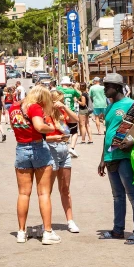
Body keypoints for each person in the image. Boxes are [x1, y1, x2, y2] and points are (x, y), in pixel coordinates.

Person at [98, 73, 134, 243]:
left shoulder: (130, 105)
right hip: (110, 156)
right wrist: (102, 159)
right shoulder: (108, 107)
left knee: (133, 194)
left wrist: (133, 141)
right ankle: (118, 230)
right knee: (117, 196)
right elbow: (108, 134)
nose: (105, 89)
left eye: (108, 86)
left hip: (125, 157)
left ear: (118, 87)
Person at [8, 86, 59, 245]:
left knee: (23, 193)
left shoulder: (15, 107)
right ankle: (48, 232)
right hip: (38, 148)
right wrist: (51, 128)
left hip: (21, 148)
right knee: (43, 193)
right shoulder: (34, 107)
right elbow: (38, 126)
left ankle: (21, 232)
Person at [48, 90, 81, 234]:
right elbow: (40, 137)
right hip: (50, 150)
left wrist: (65, 107)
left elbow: (76, 120)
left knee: (65, 188)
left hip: (63, 150)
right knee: (46, 191)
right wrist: (54, 138)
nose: (60, 103)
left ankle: (70, 221)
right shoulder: (45, 114)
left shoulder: (63, 113)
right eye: (59, 100)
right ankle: (47, 224)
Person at [57, 77, 83, 158]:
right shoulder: (72, 91)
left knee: (63, 130)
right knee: (74, 131)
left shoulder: (58, 89)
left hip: (61, 112)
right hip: (70, 111)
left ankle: (62, 147)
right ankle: (72, 147)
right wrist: (74, 87)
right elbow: (80, 95)